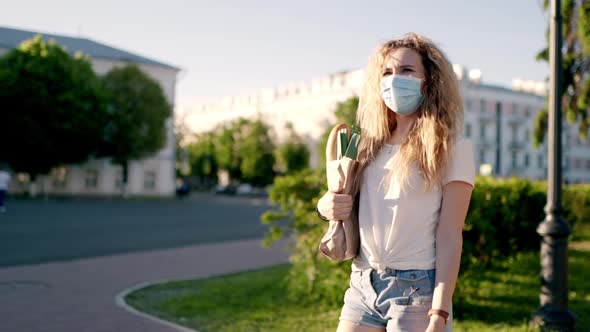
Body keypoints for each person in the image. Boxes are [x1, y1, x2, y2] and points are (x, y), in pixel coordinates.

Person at [317, 33, 475, 332]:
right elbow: (343, 204)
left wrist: (439, 313)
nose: (394, 80)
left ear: (428, 81)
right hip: (362, 281)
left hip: (417, 289)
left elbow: (450, 236)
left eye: (406, 71)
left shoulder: (454, 149)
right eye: (387, 72)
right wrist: (324, 206)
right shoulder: (364, 144)